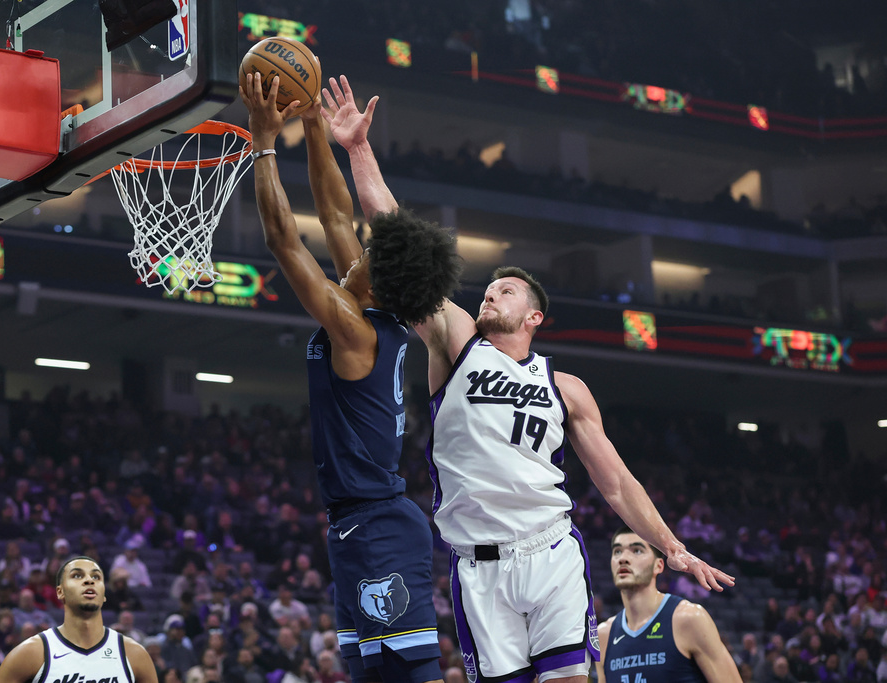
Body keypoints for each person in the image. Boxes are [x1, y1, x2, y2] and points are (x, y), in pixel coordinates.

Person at [321, 73, 734, 683]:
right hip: (477, 565)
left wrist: (670, 544)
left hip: (550, 551)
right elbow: (399, 242)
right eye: (487, 288)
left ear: (533, 316)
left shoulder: (567, 389)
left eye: (504, 290)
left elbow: (615, 482)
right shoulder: (456, 343)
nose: (490, 294)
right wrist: (357, 149)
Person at [240, 69, 461, 683]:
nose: (362, 245)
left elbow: (284, 241)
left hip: (379, 526)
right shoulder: (373, 307)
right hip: (360, 522)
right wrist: (313, 123)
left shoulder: (354, 326)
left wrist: (263, 141)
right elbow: (335, 214)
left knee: (403, 678)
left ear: (380, 275)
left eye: (373, 251)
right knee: (364, 675)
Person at [596, 528, 742, 682]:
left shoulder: (689, 619)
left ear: (658, 566)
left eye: (637, 550)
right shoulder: (604, 635)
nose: (623, 559)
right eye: (617, 551)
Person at [0, 556, 157, 683]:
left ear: (104, 594)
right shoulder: (30, 653)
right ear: (60, 592)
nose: (89, 580)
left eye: (96, 577)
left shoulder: (134, 654)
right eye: (77, 576)